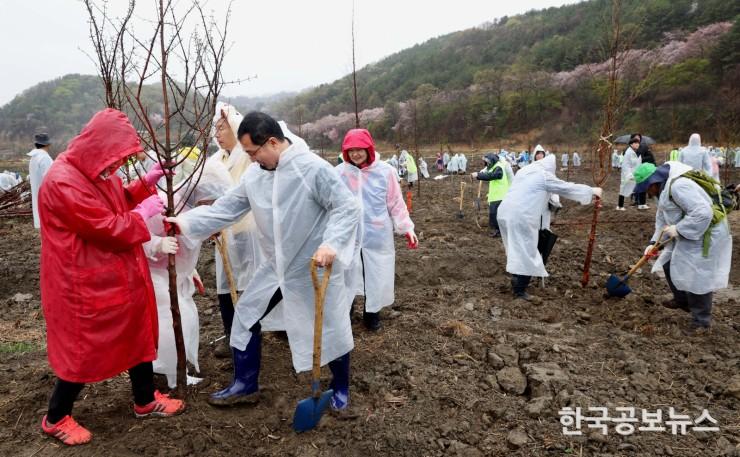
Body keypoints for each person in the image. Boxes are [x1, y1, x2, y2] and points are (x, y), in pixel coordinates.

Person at [165, 112, 360, 412]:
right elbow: (227, 208)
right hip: (275, 266)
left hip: (313, 264)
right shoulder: (255, 176)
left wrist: (330, 244)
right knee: (245, 316)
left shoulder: (312, 169)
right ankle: (245, 384)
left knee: (330, 324)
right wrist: (185, 223)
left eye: (254, 153)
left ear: (272, 142)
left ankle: (341, 387)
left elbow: (346, 207)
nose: (252, 160)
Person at [37, 109, 184, 446]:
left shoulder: (93, 173)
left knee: (137, 330)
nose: (115, 168)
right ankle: (56, 417)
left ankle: (145, 400)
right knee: (82, 348)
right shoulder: (63, 181)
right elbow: (107, 226)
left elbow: (116, 198)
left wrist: (144, 186)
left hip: (114, 274)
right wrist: (140, 214)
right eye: (114, 160)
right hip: (82, 283)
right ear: (98, 148)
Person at [144, 160, 232, 388]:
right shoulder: (165, 206)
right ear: (202, 197)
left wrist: (189, 269)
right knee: (169, 323)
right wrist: (157, 244)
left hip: (173, 276)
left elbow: (186, 244)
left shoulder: (193, 211)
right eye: (212, 202)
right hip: (152, 275)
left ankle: (175, 372)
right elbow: (135, 235)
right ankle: (166, 376)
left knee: (186, 319)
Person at [633, 161, 731, 333]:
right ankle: (682, 300)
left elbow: (703, 213)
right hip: (690, 230)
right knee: (668, 261)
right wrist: (652, 244)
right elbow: (662, 221)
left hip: (707, 232)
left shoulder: (678, 186)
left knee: (697, 274)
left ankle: (701, 321)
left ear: (653, 183)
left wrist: (678, 229)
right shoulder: (663, 192)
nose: (647, 194)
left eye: (647, 189)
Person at [336, 129, 417, 331]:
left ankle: (371, 316)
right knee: (346, 275)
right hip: (348, 235)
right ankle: (345, 315)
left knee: (375, 275)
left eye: (359, 149)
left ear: (368, 148)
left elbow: (395, 203)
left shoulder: (385, 171)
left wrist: (406, 227)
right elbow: (331, 204)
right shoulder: (339, 173)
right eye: (351, 150)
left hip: (376, 235)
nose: (355, 154)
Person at [498, 154, 601, 300]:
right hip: (521, 217)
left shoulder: (523, 171)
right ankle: (520, 290)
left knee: (516, 248)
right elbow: (565, 188)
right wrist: (591, 191)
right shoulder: (543, 175)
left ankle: (516, 277)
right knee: (528, 251)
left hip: (504, 213)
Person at [209, 102, 260, 358]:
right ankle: (232, 335)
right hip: (225, 233)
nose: (217, 134)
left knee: (252, 283)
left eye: (222, 128)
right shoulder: (215, 161)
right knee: (226, 283)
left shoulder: (248, 156)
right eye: (215, 130)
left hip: (250, 231)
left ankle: (254, 332)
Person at [472, 153, 512, 237]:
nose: (486, 164)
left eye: (487, 162)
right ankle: (497, 230)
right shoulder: (494, 167)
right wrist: (479, 173)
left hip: (500, 195)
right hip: (495, 195)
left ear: (491, 161)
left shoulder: (499, 167)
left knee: (494, 213)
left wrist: (478, 175)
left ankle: (498, 231)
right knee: (493, 213)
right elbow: (486, 172)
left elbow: (491, 176)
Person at [27, 133, 54, 229]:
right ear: (47, 144)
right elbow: (51, 178)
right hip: (47, 197)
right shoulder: (45, 158)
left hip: (38, 194)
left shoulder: (34, 157)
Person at [617, 136, 641, 211]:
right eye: (635, 143)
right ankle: (620, 206)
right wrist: (629, 175)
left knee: (626, 189)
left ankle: (621, 205)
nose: (637, 144)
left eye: (638, 143)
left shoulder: (633, 152)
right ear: (631, 144)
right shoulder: (629, 153)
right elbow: (625, 165)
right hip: (628, 174)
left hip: (632, 174)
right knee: (623, 189)